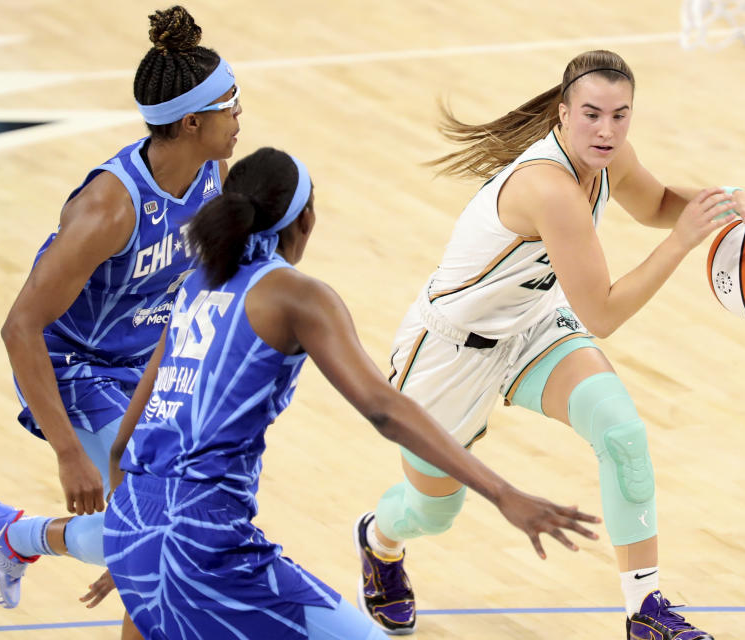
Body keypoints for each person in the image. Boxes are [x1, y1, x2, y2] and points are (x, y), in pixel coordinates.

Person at [352, 49, 745, 639]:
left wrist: (729, 201)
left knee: (621, 431)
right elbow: (604, 312)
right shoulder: (549, 188)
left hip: (532, 324)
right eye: (592, 114)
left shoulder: (608, 159)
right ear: (562, 114)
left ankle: (645, 610)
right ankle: (379, 542)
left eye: (621, 116)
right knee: (432, 512)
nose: (607, 130)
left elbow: (658, 203)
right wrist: (685, 243)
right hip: (450, 351)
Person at [101, 146, 601, 640]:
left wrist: (135, 550)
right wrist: (502, 492)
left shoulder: (195, 284)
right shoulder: (295, 295)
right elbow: (384, 410)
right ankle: (18, 535)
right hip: (202, 541)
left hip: (132, 524)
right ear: (306, 221)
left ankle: (23, 537)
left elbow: (130, 434)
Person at [0, 4, 239, 633]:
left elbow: (196, 277)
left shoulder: (211, 172)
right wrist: (68, 452)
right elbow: (20, 327)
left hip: (145, 363)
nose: (240, 113)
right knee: (166, 540)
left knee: (169, 532)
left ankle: (18, 535)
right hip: (74, 366)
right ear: (192, 120)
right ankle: (24, 536)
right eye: (232, 101)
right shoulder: (108, 207)